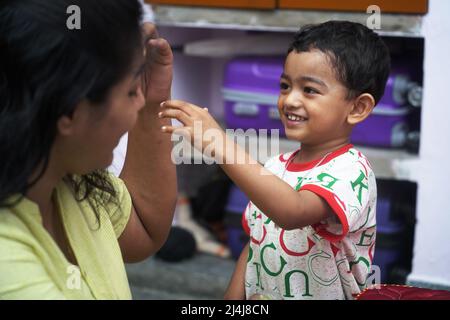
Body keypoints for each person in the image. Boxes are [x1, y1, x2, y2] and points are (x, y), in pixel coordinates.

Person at [159, 21, 391, 299]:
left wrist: (220, 145)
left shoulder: (353, 171)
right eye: (285, 86)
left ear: (358, 108)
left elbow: (292, 212)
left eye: (309, 90)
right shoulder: (274, 166)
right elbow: (255, 243)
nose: (289, 100)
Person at [0, 0, 176, 299]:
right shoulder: (9, 266)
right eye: (131, 91)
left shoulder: (67, 177)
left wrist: (151, 102)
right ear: (71, 111)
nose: (138, 103)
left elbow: (145, 228)